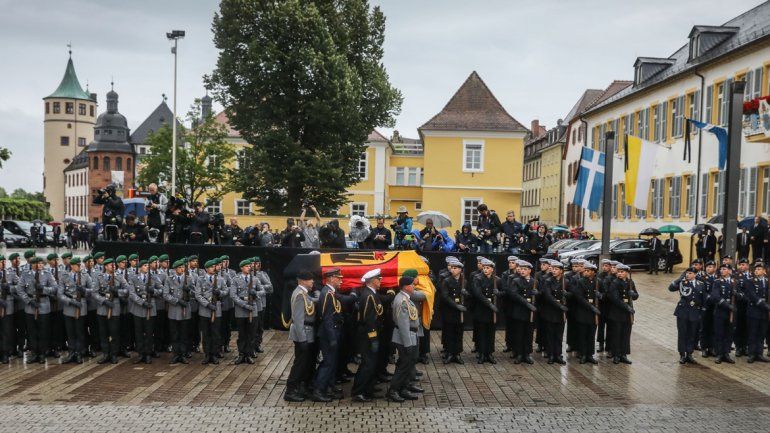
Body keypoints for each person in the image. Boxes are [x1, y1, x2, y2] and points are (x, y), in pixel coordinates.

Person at [313, 268, 346, 402]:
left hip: (333, 331)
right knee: (328, 363)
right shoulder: (327, 294)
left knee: (332, 363)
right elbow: (327, 318)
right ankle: (319, 390)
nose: (341, 281)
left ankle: (329, 387)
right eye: (339, 278)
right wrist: (332, 338)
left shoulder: (331, 292)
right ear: (331, 278)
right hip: (328, 334)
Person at [386, 276, 421, 403]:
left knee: (408, 363)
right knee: (403, 365)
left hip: (411, 335)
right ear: (406, 286)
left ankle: (404, 388)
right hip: (405, 338)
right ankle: (393, 390)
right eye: (412, 284)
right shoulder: (401, 300)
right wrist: (408, 344)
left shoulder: (406, 298)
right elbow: (403, 324)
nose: (414, 286)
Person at [17, 257, 58, 363]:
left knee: (43, 331)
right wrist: (29, 301)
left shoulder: (47, 274)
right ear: (32, 264)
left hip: (43, 305)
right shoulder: (25, 274)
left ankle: (42, 354)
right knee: (32, 331)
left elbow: (55, 288)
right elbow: (20, 289)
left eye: (41, 263)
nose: (40, 265)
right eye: (38, 263)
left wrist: (44, 289)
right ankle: (34, 353)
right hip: (31, 306)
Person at [351, 269, 384, 402]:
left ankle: (368, 389)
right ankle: (358, 391)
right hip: (368, 336)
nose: (380, 281)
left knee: (371, 364)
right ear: (373, 281)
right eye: (379, 279)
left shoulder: (372, 294)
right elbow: (367, 319)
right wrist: (373, 337)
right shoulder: (368, 296)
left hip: (371, 334)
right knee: (367, 364)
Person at [285, 270, 317, 402]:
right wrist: (303, 340)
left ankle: (300, 387)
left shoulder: (304, 293)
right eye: (310, 279)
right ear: (303, 280)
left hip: (306, 332)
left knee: (304, 363)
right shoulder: (299, 294)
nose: (312, 281)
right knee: (299, 363)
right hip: (302, 334)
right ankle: (290, 390)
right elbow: (298, 320)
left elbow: (312, 301)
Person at [668, 267, 706, 364]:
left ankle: (689, 353)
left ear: (695, 274)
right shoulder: (682, 283)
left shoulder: (700, 284)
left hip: (694, 312)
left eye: (690, 273)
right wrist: (679, 279)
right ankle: (682, 354)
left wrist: (701, 312)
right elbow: (671, 288)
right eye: (687, 273)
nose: (687, 275)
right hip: (683, 311)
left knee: (692, 334)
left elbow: (703, 299)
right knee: (682, 333)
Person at [57, 257, 91, 364]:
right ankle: (71, 353)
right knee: (70, 332)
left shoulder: (85, 276)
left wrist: (84, 290)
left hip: (81, 308)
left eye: (80, 265)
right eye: (77, 265)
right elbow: (60, 294)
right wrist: (70, 301)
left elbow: (93, 290)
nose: (79, 267)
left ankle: (79, 353)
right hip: (69, 308)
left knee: (80, 332)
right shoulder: (64, 276)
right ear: (71, 266)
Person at [195, 259, 227, 365]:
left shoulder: (220, 279)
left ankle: (214, 354)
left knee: (215, 333)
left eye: (214, 266)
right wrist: (207, 304)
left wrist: (220, 292)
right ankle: (207, 354)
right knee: (206, 333)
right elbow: (198, 295)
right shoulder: (200, 279)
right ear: (206, 269)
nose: (214, 268)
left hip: (216, 308)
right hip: (205, 309)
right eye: (211, 267)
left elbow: (226, 291)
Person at [129, 260, 160, 364]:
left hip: (150, 308)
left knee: (149, 332)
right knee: (138, 333)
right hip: (138, 309)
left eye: (147, 265)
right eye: (145, 265)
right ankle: (140, 353)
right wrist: (142, 302)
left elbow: (162, 290)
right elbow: (132, 294)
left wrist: (153, 291)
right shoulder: (133, 278)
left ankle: (148, 354)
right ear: (140, 267)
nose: (147, 267)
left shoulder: (154, 277)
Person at [230, 260, 261, 365]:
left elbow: (263, 291)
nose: (249, 267)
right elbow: (233, 295)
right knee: (242, 334)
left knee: (251, 333)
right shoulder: (235, 279)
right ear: (241, 268)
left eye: (250, 266)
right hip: (241, 310)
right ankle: (241, 354)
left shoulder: (255, 279)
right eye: (247, 266)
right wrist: (244, 305)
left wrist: (255, 293)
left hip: (253, 309)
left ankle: (248, 354)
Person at [607, 263, 638, 364]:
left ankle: (623, 354)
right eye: (618, 272)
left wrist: (633, 294)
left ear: (627, 273)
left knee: (626, 334)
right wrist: (627, 307)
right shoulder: (614, 283)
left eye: (622, 272)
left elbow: (636, 295)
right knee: (617, 334)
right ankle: (616, 355)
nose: (619, 274)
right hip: (617, 312)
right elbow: (615, 299)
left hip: (627, 314)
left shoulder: (630, 282)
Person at [508, 260, 537, 364]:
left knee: (529, 334)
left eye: (525, 269)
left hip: (530, 313)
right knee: (519, 333)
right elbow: (514, 295)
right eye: (522, 269)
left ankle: (527, 354)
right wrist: (527, 303)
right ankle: (519, 354)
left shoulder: (534, 282)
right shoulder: (516, 281)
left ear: (530, 270)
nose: (523, 271)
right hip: (520, 311)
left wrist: (538, 293)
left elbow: (542, 295)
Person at [163, 259, 192, 364]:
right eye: (180, 267)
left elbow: (195, 292)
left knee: (184, 334)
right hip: (174, 310)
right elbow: (165, 294)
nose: (182, 269)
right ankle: (176, 354)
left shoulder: (189, 279)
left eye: (183, 267)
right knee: (174, 334)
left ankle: (183, 354)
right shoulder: (169, 279)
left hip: (185, 310)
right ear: (175, 269)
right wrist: (177, 301)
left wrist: (189, 291)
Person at [471, 259, 499, 364]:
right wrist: (490, 304)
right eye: (484, 268)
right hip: (482, 309)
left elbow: (506, 291)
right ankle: (482, 353)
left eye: (488, 268)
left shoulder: (496, 280)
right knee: (482, 332)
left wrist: (499, 293)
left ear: (492, 269)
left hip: (492, 312)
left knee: (491, 333)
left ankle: (489, 353)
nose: (485, 270)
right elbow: (478, 294)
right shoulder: (477, 278)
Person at [573, 262, 601, 364]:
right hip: (583, 312)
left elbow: (605, 294)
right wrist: (591, 307)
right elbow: (579, 297)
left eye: (588, 271)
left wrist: (601, 295)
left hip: (594, 314)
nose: (585, 272)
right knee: (583, 334)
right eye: (585, 270)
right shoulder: (581, 282)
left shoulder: (598, 282)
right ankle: (583, 354)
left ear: (593, 272)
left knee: (591, 334)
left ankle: (590, 354)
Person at [540, 261, 568, 365]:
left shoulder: (566, 281)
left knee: (559, 335)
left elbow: (573, 293)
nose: (554, 271)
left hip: (561, 313)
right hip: (551, 311)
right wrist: (560, 305)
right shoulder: (548, 281)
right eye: (553, 269)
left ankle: (558, 355)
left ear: (561, 271)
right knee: (550, 334)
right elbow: (548, 296)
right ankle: (551, 354)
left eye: (556, 269)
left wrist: (568, 294)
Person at [439, 260, 467, 364]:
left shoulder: (464, 281)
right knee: (450, 332)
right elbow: (445, 296)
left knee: (458, 333)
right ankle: (450, 353)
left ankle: (457, 353)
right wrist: (456, 306)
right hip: (450, 310)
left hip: (460, 313)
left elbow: (469, 297)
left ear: (460, 270)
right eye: (452, 268)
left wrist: (466, 294)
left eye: (455, 268)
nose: (453, 269)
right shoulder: (446, 281)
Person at [743, 262, 770, 363]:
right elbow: (752, 296)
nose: (757, 271)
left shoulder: (767, 281)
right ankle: (751, 354)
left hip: (764, 312)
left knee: (761, 333)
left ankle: (759, 353)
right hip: (754, 311)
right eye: (756, 269)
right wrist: (765, 305)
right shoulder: (750, 281)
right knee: (753, 333)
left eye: (759, 269)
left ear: (764, 271)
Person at [710, 264, 736, 364]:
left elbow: (742, 295)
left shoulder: (734, 282)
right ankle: (719, 354)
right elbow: (715, 296)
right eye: (721, 269)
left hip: (732, 312)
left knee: (728, 333)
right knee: (719, 333)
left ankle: (726, 353)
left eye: (724, 269)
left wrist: (737, 294)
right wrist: (727, 305)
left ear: (729, 271)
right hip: (721, 311)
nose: (722, 271)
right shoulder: (717, 282)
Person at [0, 255, 19, 364]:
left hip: (7, 307)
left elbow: (20, 286)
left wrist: (10, 288)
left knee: (6, 331)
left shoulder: (10, 274)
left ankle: (5, 353)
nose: (2, 264)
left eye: (3, 262)